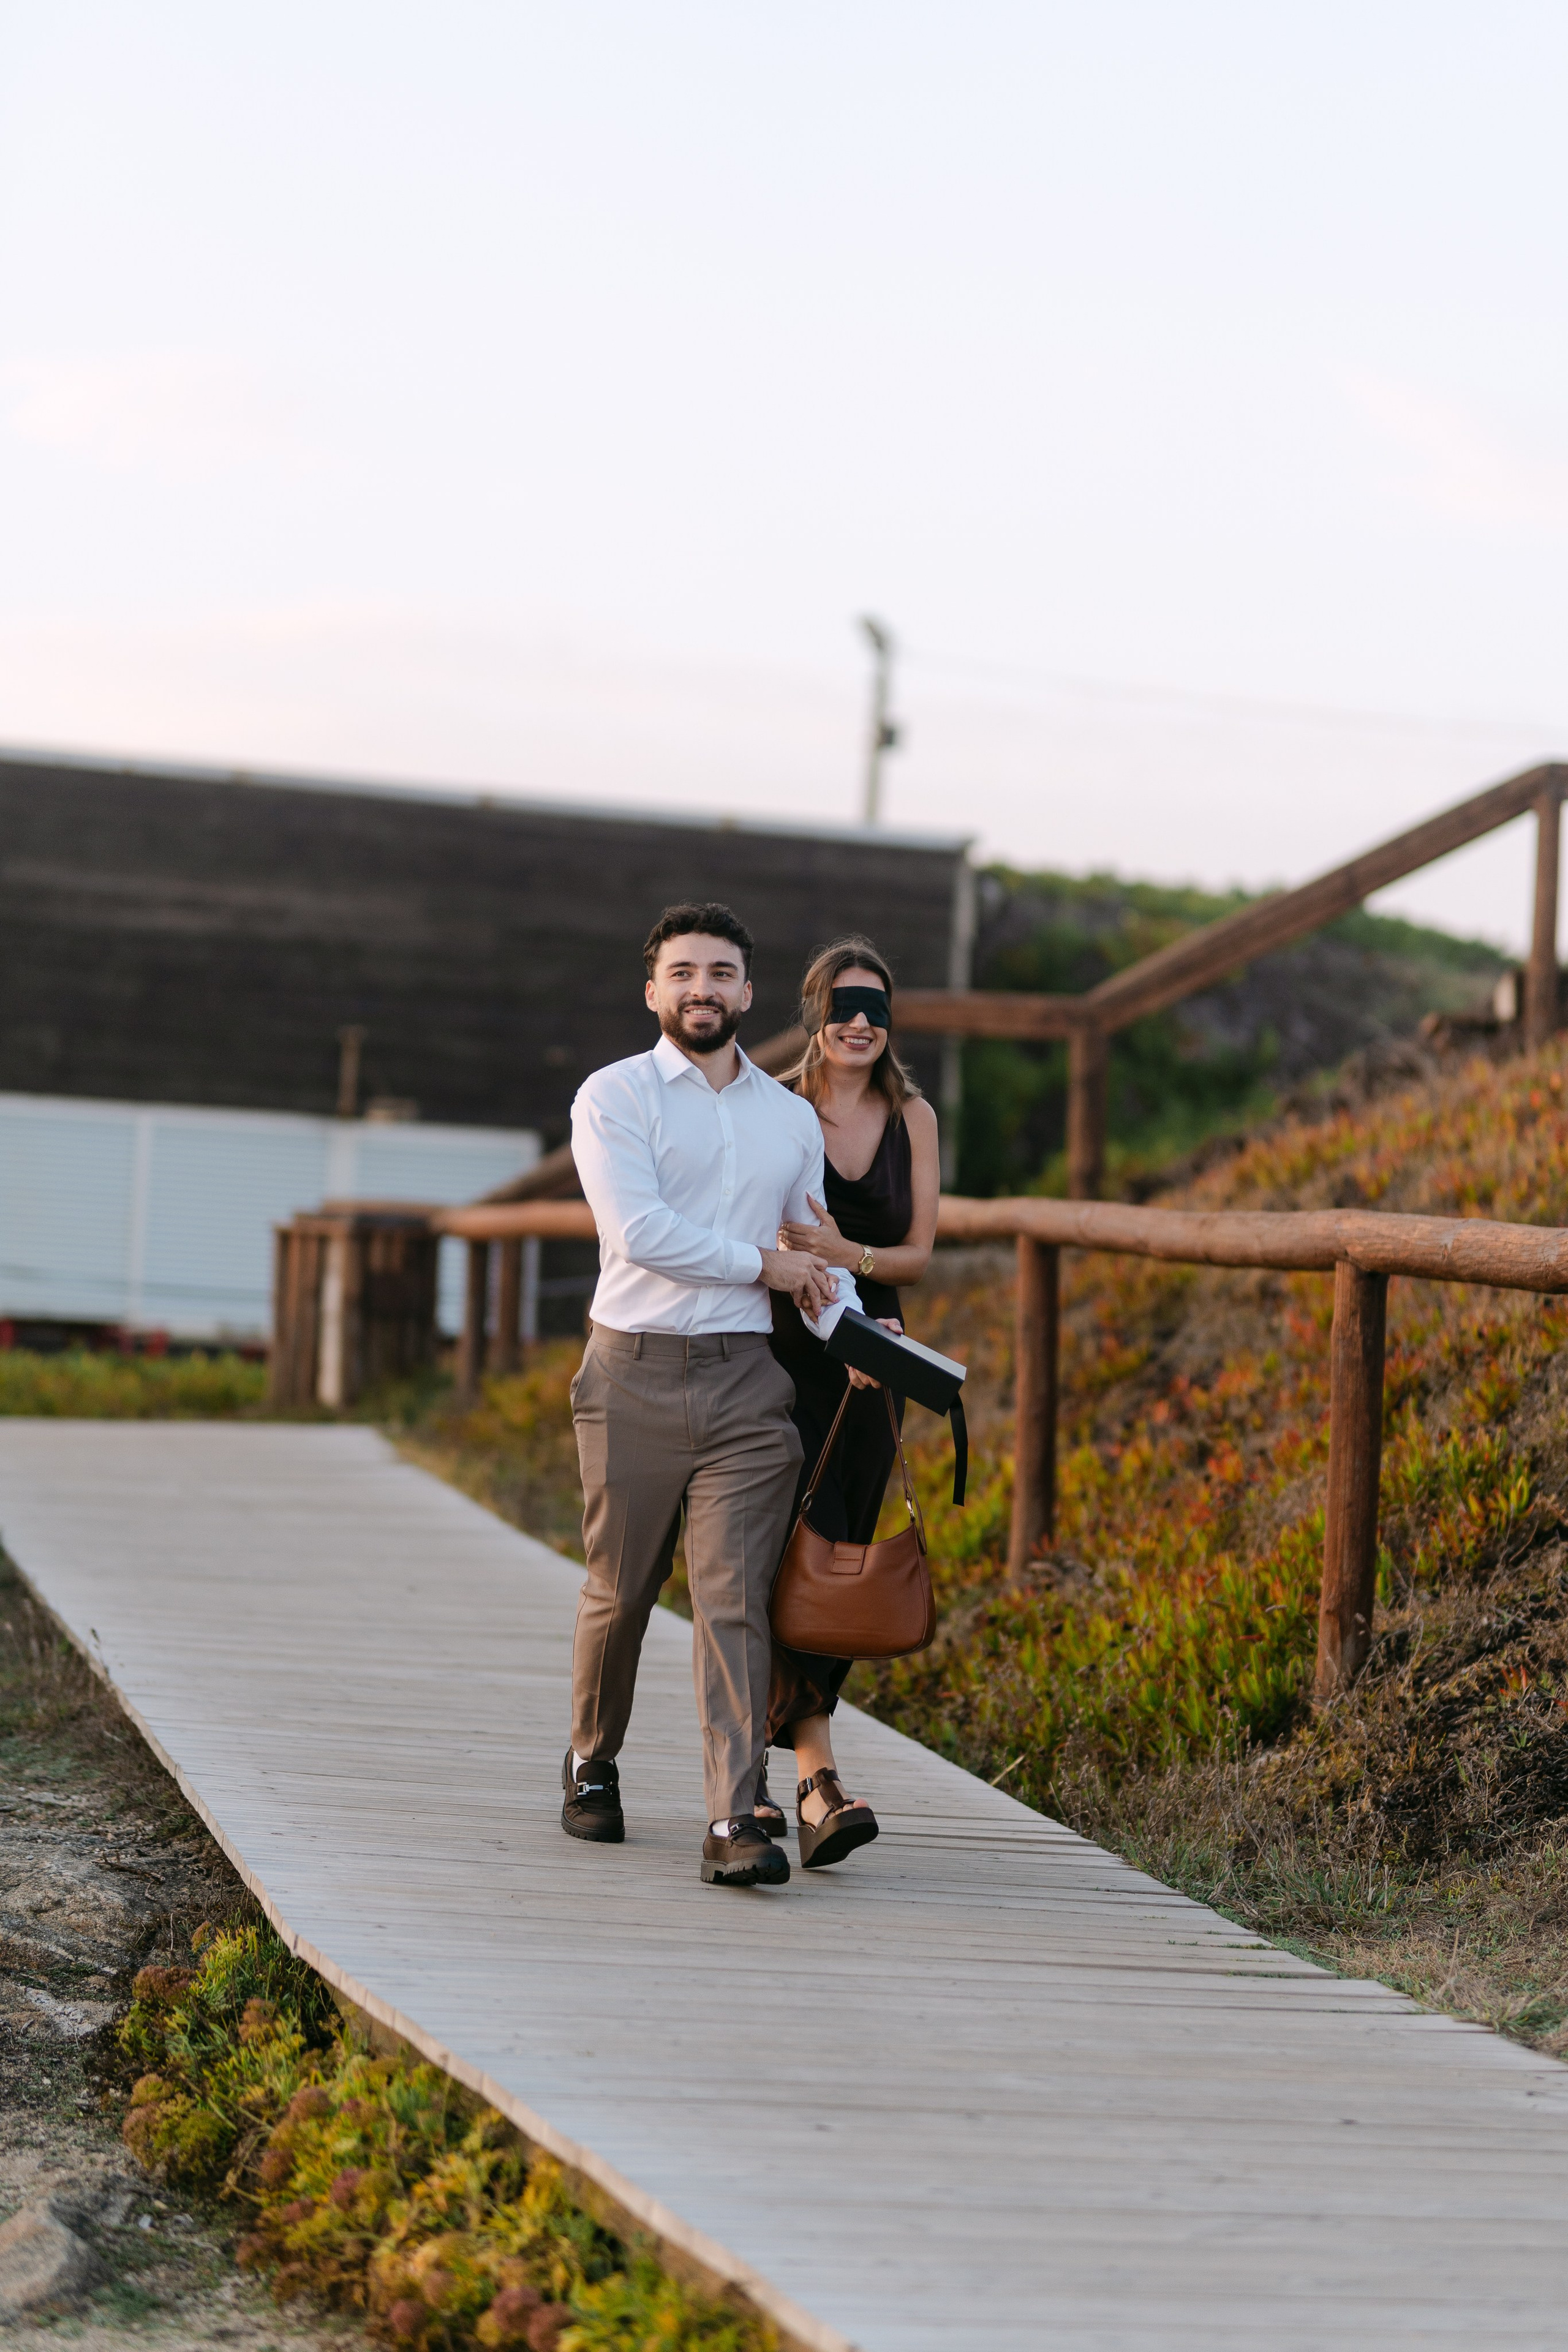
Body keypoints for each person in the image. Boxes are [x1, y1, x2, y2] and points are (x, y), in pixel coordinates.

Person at [562, 902, 864, 1888]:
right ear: (653, 991)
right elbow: (639, 1232)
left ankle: (735, 1818)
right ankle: (592, 1759)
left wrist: (860, 1334)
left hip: (745, 1385)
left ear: (747, 992)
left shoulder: (788, 1119)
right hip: (631, 1374)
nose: (703, 988)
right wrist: (765, 1267)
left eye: (722, 973)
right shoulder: (613, 1096)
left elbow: (813, 1254)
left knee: (734, 1603)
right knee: (622, 1591)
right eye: (684, 972)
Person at [758, 937, 940, 1868]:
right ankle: (816, 1778)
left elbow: (917, 1253)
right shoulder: (774, 1105)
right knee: (793, 1544)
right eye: (844, 1006)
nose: (861, 1024)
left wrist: (849, 1255)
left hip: (878, 1360)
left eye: (877, 1008)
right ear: (813, 1013)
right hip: (781, 1354)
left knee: (842, 1558)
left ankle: (776, 1769)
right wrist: (814, 1268)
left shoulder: (914, 1116)